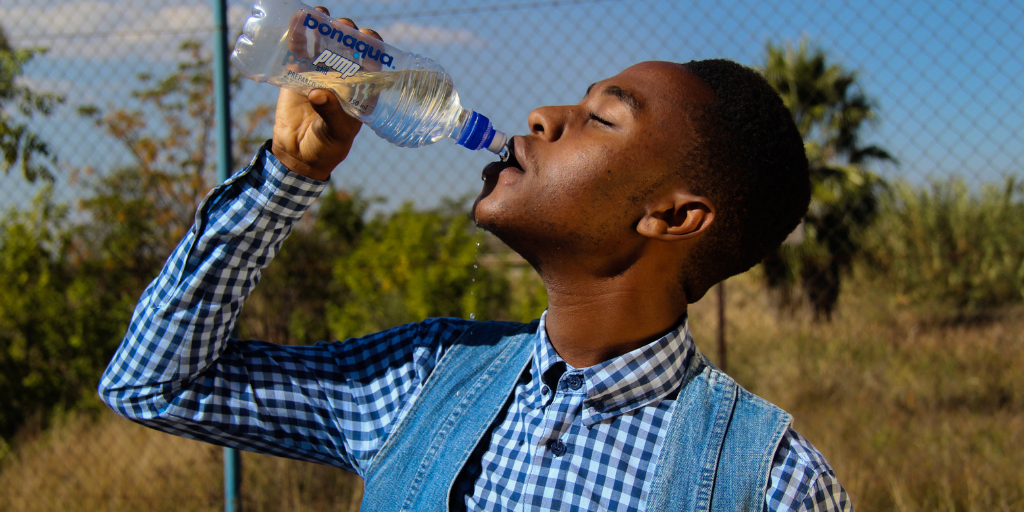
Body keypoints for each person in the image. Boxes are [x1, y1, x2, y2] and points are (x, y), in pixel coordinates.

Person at [100, 9, 853, 511]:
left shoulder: (771, 485)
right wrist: (288, 177)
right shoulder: (424, 378)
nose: (543, 116)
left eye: (599, 118)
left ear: (673, 216)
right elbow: (154, 384)